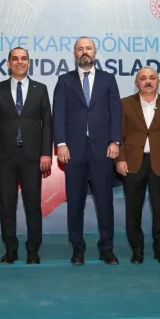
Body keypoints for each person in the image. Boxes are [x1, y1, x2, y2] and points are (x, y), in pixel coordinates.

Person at [53, 36, 122, 265]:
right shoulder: (64, 81)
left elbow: (116, 112)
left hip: (102, 150)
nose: (85, 52)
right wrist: (61, 144)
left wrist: (115, 141)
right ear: (75, 53)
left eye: (88, 48)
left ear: (95, 52)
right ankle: (77, 248)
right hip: (73, 151)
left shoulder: (108, 79)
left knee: (105, 201)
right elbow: (58, 114)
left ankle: (106, 248)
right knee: (75, 202)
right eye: (80, 49)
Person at [0, 47, 52, 265]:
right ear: (8, 63)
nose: (19, 62)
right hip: (5, 157)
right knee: (7, 205)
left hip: (32, 157)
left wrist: (46, 153)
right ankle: (10, 250)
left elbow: (47, 123)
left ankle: (33, 251)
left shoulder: (41, 89)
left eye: (23, 59)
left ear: (29, 63)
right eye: (15, 59)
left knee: (33, 206)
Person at [116, 67, 160, 264]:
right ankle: (137, 250)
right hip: (132, 164)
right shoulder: (125, 103)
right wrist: (120, 159)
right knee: (133, 209)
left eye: (152, 78)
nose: (148, 81)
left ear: (158, 82)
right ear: (136, 83)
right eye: (143, 78)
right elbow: (118, 135)